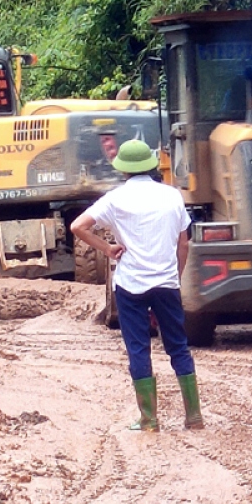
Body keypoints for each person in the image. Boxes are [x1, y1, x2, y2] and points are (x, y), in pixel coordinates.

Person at [69, 139, 204, 431]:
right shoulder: (172, 196)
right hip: (166, 282)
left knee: (139, 349)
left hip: (131, 286)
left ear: (124, 170)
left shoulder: (115, 199)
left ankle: (149, 420)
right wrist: (175, 277)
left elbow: (77, 226)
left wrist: (106, 249)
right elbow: (184, 244)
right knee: (178, 347)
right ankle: (194, 416)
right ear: (152, 166)